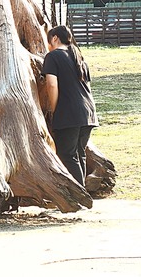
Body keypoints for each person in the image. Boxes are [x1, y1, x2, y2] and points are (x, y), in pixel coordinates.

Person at [42, 25, 99, 186]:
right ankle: (82, 192)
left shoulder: (53, 57)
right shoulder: (79, 57)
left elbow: (52, 85)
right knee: (79, 154)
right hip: (88, 112)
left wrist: (53, 109)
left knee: (67, 155)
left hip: (69, 112)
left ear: (54, 38)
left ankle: (78, 196)